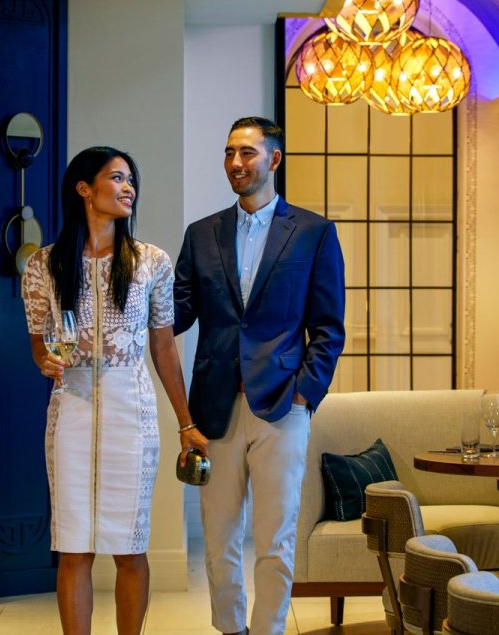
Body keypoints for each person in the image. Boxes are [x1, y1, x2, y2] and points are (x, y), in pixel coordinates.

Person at [24, 146, 206, 635]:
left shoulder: (151, 262)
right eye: (117, 178)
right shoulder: (43, 265)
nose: (129, 188)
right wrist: (46, 362)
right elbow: (39, 346)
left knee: (130, 546)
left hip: (133, 413)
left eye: (131, 180)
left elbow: (164, 348)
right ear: (85, 188)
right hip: (71, 413)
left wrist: (186, 422)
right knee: (74, 548)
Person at [174, 117, 345, 634]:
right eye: (229, 152)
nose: (235, 163)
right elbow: (177, 313)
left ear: (274, 160)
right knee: (218, 535)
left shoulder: (314, 232)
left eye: (247, 153)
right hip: (215, 407)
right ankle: (231, 630)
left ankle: (268, 629)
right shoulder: (201, 234)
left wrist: (304, 394)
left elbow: (328, 327)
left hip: (282, 406)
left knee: (275, 537)